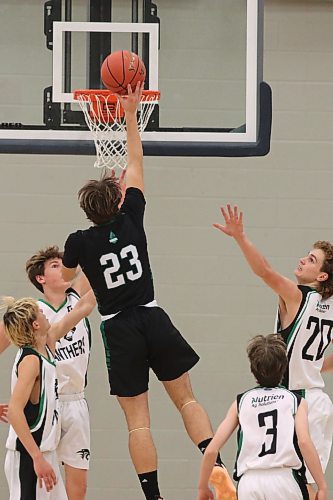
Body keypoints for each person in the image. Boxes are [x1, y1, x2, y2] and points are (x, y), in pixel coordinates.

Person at [61, 82, 236, 500]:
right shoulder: (132, 217)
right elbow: (135, 160)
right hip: (153, 316)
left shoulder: (78, 241)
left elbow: (67, 278)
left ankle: (153, 496)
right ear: (118, 200)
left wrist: (89, 268)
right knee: (187, 400)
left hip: (119, 328)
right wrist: (129, 112)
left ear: (87, 210)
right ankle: (218, 467)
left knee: (138, 421)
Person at [214, 203, 333, 499]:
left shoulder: (297, 296)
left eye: (311, 260)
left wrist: (240, 238)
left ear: (321, 277)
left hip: (294, 400)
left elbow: (264, 270)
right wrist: (317, 367)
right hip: (315, 399)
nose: (302, 260)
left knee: (292, 482)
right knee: (298, 484)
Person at [198, 334, 328, 500]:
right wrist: (322, 486)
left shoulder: (241, 402)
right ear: (284, 367)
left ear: (253, 369)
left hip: (249, 482)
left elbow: (212, 450)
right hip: (285, 479)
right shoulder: (296, 401)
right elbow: (304, 442)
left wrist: (202, 486)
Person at [1, 291, 95, 500]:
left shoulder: (47, 346)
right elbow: (15, 410)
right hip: (28, 456)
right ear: (35, 324)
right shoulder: (30, 361)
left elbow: (82, 308)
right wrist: (36, 458)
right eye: (40, 313)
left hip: (45, 454)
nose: (45, 314)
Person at [25, 246, 92, 500]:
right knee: (45, 485)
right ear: (40, 278)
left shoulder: (77, 298)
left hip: (76, 400)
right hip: (47, 403)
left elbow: (97, 257)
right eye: (55, 265)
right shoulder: (31, 311)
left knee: (79, 487)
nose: (63, 268)